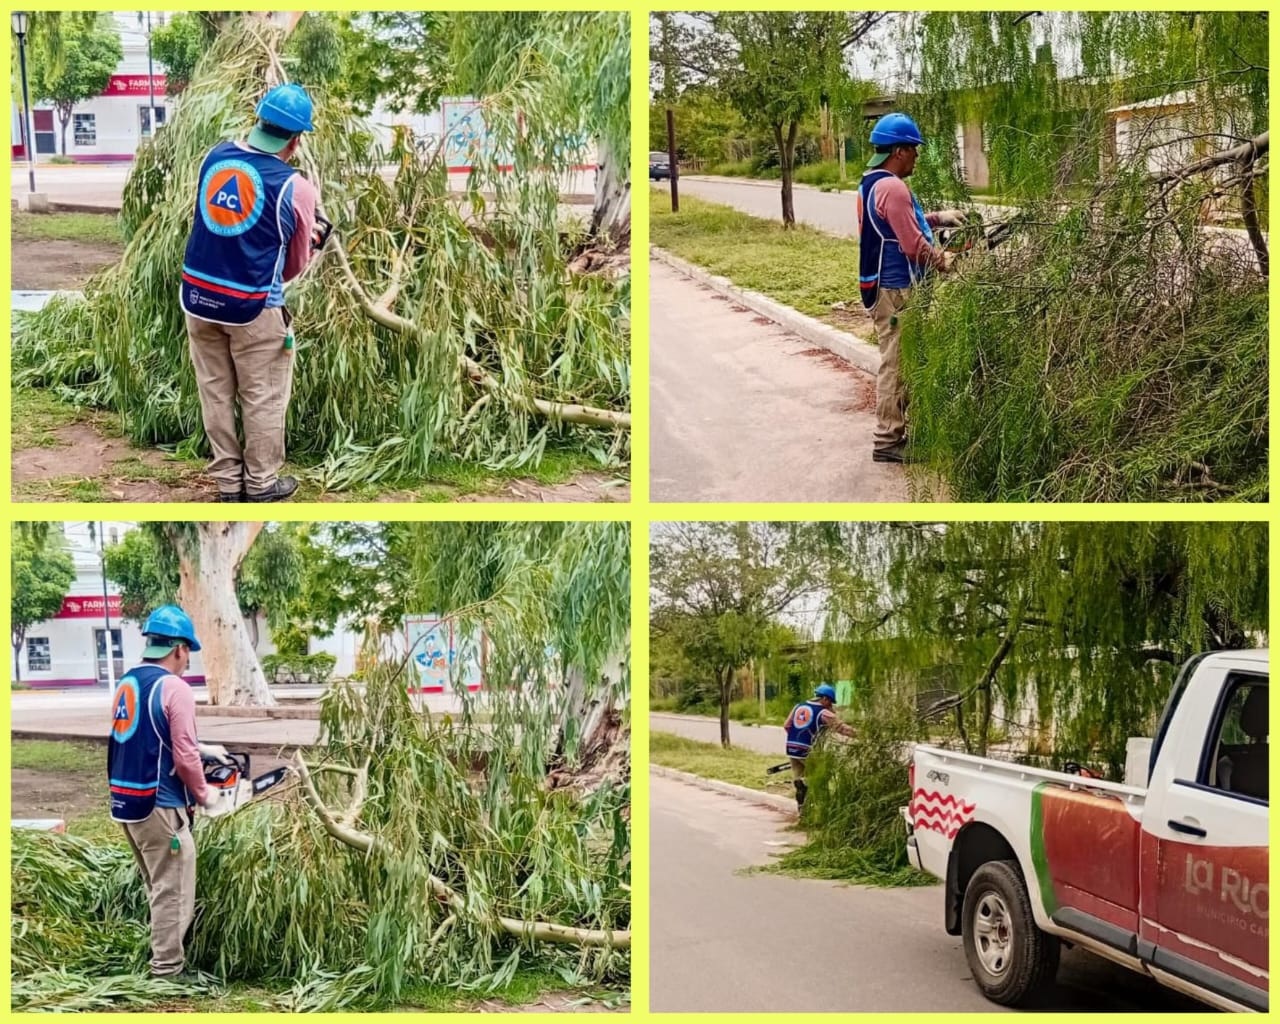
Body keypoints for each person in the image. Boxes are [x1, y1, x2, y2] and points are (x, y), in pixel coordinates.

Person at [180, 83, 324, 502]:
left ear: (258, 120)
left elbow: (212, 222)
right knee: (262, 396)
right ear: (296, 141)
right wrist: (314, 242)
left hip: (199, 299)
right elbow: (293, 263)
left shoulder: (215, 158)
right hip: (254, 307)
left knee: (215, 391)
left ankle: (228, 484)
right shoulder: (296, 187)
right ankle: (260, 485)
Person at [107, 605, 228, 980]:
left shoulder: (129, 683)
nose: (187, 661)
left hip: (127, 804)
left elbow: (148, 735)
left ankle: (163, 957)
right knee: (173, 891)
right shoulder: (176, 688)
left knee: (159, 887)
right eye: (188, 652)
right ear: (178, 648)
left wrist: (203, 748)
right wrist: (205, 794)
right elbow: (185, 757)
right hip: (160, 806)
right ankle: (167, 971)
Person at [856, 112, 967, 464]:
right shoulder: (893, 187)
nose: (918, 156)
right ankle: (888, 440)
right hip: (896, 289)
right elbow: (912, 244)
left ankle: (900, 430)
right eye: (914, 149)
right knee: (897, 363)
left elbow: (902, 223)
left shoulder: (872, 182)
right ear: (899, 151)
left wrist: (937, 218)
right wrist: (942, 260)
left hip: (885, 286)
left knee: (905, 359)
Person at [783, 683, 855, 808]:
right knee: (822, 773)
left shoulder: (798, 706)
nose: (831, 705)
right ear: (825, 699)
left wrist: (797, 737)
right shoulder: (823, 713)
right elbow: (842, 728)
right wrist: (863, 734)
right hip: (808, 749)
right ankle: (813, 794)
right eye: (830, 702)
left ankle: (803, 808)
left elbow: (786, 725)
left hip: (791, 748)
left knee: (799, 777)